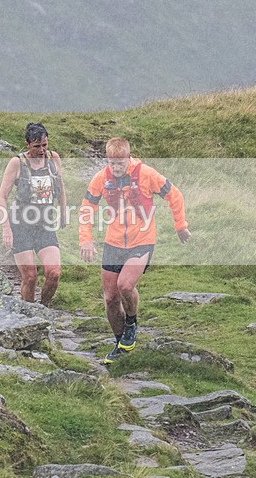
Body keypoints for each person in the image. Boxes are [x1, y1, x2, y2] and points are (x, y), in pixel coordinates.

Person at [79, 137, 191, 364]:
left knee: (125, 285)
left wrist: (180, 226)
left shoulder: (146, 174)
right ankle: (120, 343)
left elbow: (174, 195)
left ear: (128, 158)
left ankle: (131, 322)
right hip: (113, 243)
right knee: (110, 298)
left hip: (142, 240)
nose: (116, 168)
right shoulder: (101, 178)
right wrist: (86, 239)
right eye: (112, 163)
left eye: (120, 163)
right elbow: (87, 207)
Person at [0, 123, 67, 306]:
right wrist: (6, 228)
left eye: (44, 145)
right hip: (21, 225)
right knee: (30, 277)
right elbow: (2, 197)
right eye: (37, 146)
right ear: (27, 144)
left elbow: (60, 187)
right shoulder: (17, 163)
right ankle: (28, 313)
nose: (42, 150)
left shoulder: (54, 158)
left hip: (44, 224)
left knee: (54, 273)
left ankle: (43, 308)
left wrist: (63, 211)